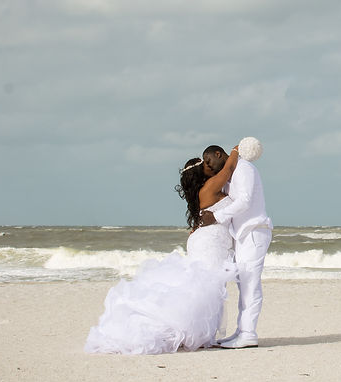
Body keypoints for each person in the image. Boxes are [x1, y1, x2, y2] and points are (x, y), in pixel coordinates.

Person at [84, 147, 240, 355]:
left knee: (206, 288)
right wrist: (238, 148)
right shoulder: (210, 186)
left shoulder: (205, 191)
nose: (208, 165)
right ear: (200, 174)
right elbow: (229, 169)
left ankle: (204, 335)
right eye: (204, 164)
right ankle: (199, 335)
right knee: (207, 289)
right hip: (209, 242)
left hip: (208, 241)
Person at [198, 144, 272, 349]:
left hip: (255, 231)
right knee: (243, 284)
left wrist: (217, 216)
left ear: (218, 154)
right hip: (242, 235)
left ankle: (248, 334)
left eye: (208, 160)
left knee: (250, 285)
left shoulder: (244, 168)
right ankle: (241, 331)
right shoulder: (230, 175)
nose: (208, 165)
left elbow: (245, 201)